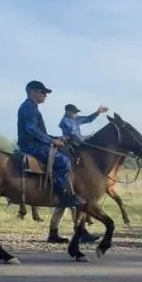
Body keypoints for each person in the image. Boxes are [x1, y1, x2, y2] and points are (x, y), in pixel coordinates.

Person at [44, 103, 108, 244]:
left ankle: (55, 233)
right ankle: (79, 232)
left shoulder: (75, 119)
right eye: (73, 112)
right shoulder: (65, 121)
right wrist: (86, 140)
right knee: (73, 200)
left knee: (64, 204)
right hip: (70, 147)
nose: (75, 114)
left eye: (76, 112)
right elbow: (73, 136)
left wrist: (97, 113)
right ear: (67, 111)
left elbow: (87, 119)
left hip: (77, 145)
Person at [16, 80, 84, 209]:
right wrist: (52, 141)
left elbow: (39, 131)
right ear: (32, 91)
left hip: (34, 142)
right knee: (64, 161)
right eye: (43, 92)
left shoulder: (30, 107)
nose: (45, 95)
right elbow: (31, 129)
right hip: (31, 145)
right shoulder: (29, 107)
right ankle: (64, 197)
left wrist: (58, 138)